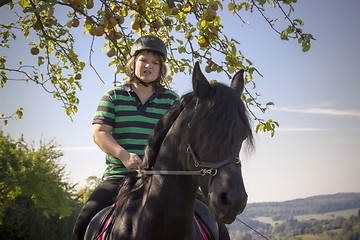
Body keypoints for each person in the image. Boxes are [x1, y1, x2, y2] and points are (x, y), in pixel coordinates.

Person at [71, 35, 180, 240]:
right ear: (133, 64)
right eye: (143, 60)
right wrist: (123, 155)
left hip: (162, 179)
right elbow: (100, 133)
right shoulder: (113, 95)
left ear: (161, 68)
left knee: (214, 224)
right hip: (119, 177)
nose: (148, 66)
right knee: (82, 224)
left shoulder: (171, 100)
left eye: (155, 62)